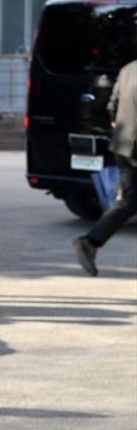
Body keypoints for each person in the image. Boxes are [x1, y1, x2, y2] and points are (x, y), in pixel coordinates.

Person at [74, 58, 137, 275]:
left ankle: (90, 241)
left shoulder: (127, 69)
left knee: (128, 202)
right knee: (128, 201)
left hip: (123, 146)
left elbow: (112, 107)